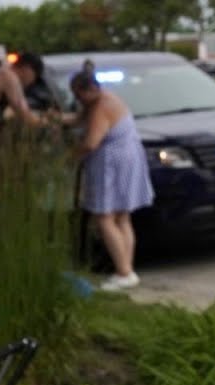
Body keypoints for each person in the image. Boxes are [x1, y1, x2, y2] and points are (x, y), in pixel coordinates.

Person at [67, 60, 154, 291]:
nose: (77, 101)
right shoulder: (104, 99)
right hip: (128, 157)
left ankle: (123, 272)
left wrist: (69, 157)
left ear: (88, 90)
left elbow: (91, 142)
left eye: (78, 95)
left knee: (104, 217)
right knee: (122, 217)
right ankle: (127, 268)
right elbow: (78, 118)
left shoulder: (101, 106)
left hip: (112, 163)